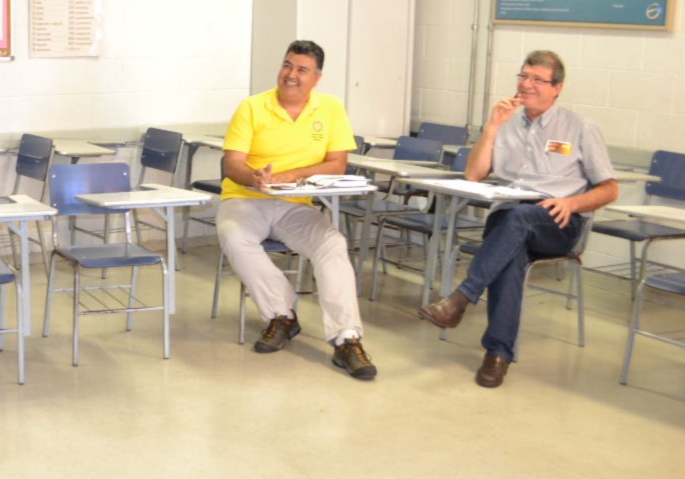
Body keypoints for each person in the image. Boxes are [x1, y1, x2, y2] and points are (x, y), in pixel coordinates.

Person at [417, 50, 618, 387]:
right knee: (511, 250)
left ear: (557, 88)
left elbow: (610, 189)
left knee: (520, 219)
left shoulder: (580, 127)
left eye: (537, 79)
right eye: (523, 76)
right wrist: (492, 126)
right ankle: (497, 355)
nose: (527, 84)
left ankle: (461, 298)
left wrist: (572, 203)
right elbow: (473, 174)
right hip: (510, 218)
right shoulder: (507, 123)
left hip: (559, 221)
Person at [217, 39, 377, 380]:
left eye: (302, 70)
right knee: (234, 237)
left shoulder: (330, 108)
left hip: (295, 205)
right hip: (246, 199)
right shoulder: (252, 107)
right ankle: (282, 314)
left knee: (332, 244)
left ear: (316, 78)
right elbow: (232, 164)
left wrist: (291, 176)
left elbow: (337, 164)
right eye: (287, 65)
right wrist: (254, 177)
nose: (291, 74)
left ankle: (346, 337)